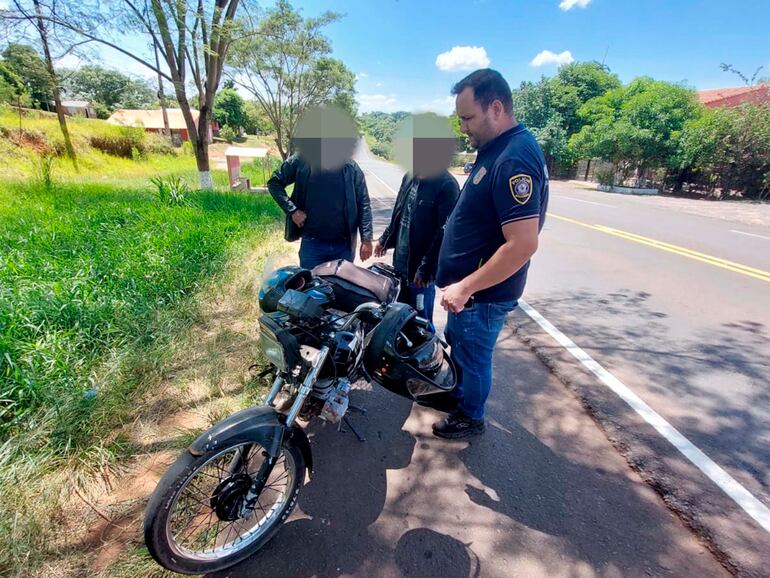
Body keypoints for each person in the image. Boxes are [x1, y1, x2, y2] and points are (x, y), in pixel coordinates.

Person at [432, 69, 549, 439]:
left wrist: (465, 288)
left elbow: (523, 243)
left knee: (474, 357)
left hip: (480, 296)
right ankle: (460, 396)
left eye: (468, 118)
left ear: (495, 108)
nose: (463, 127)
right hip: (468, 292)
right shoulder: (497, 148)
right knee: (461, 348)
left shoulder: (515, 158)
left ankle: (471, 416)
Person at [373, 114, 460, 324]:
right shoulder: (410, 176)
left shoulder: (447, 186)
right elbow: (399, 212)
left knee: (421, 324)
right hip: (400, 265)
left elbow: (443, 233)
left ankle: (429, 357)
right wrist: (385, 239)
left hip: (420, 274)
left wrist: (426, 269)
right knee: (397, 319)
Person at [267, 106, 374, 269]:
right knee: (311, 291)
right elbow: (274, 182)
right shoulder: (301, 160)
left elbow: (363, 203)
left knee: (340, 291)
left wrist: (366, 239)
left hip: (343, 246)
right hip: (312, 244)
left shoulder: (351, 168)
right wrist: (293, 211)